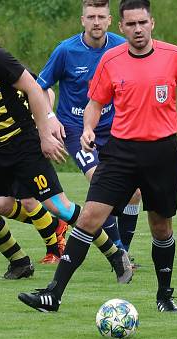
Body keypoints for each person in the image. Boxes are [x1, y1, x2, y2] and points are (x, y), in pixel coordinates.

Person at [18, 0, 177, 313]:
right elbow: (94, 101)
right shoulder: (111, 59)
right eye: (131, 24)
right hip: (120, 151)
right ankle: (53, 294)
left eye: (142, 23)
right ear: (122, 27)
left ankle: (164, 296)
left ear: (152, 23)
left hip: (162, 152)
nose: (137, 29)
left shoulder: (173, 56)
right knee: (90, 216)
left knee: (161, 227)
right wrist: (88, 128)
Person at [0, 1, 132, 282]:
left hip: (21, 143)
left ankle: (115, 253)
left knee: (60, 208)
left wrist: (44, 134)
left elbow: (34, 87)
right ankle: (19, 261)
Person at [36, 0, 141, 254]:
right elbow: (38, 87)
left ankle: (123, 251)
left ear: (109, 21)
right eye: (91, 16)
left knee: (135, 192)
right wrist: (50, 116)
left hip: (114, 128)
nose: (96, 22)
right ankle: (116, 248)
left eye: (101, 17)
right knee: (100, 180)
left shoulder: (120, 47)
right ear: (82, 20)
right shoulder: (66, 51)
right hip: (74, 127)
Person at [0, 21, 68, 265]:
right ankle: (56, 225)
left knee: (31, 200)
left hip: (23, 145)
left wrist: (42, 122)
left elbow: (45, 91)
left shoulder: (6, 66)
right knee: (1, 204)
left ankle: (55, 247)